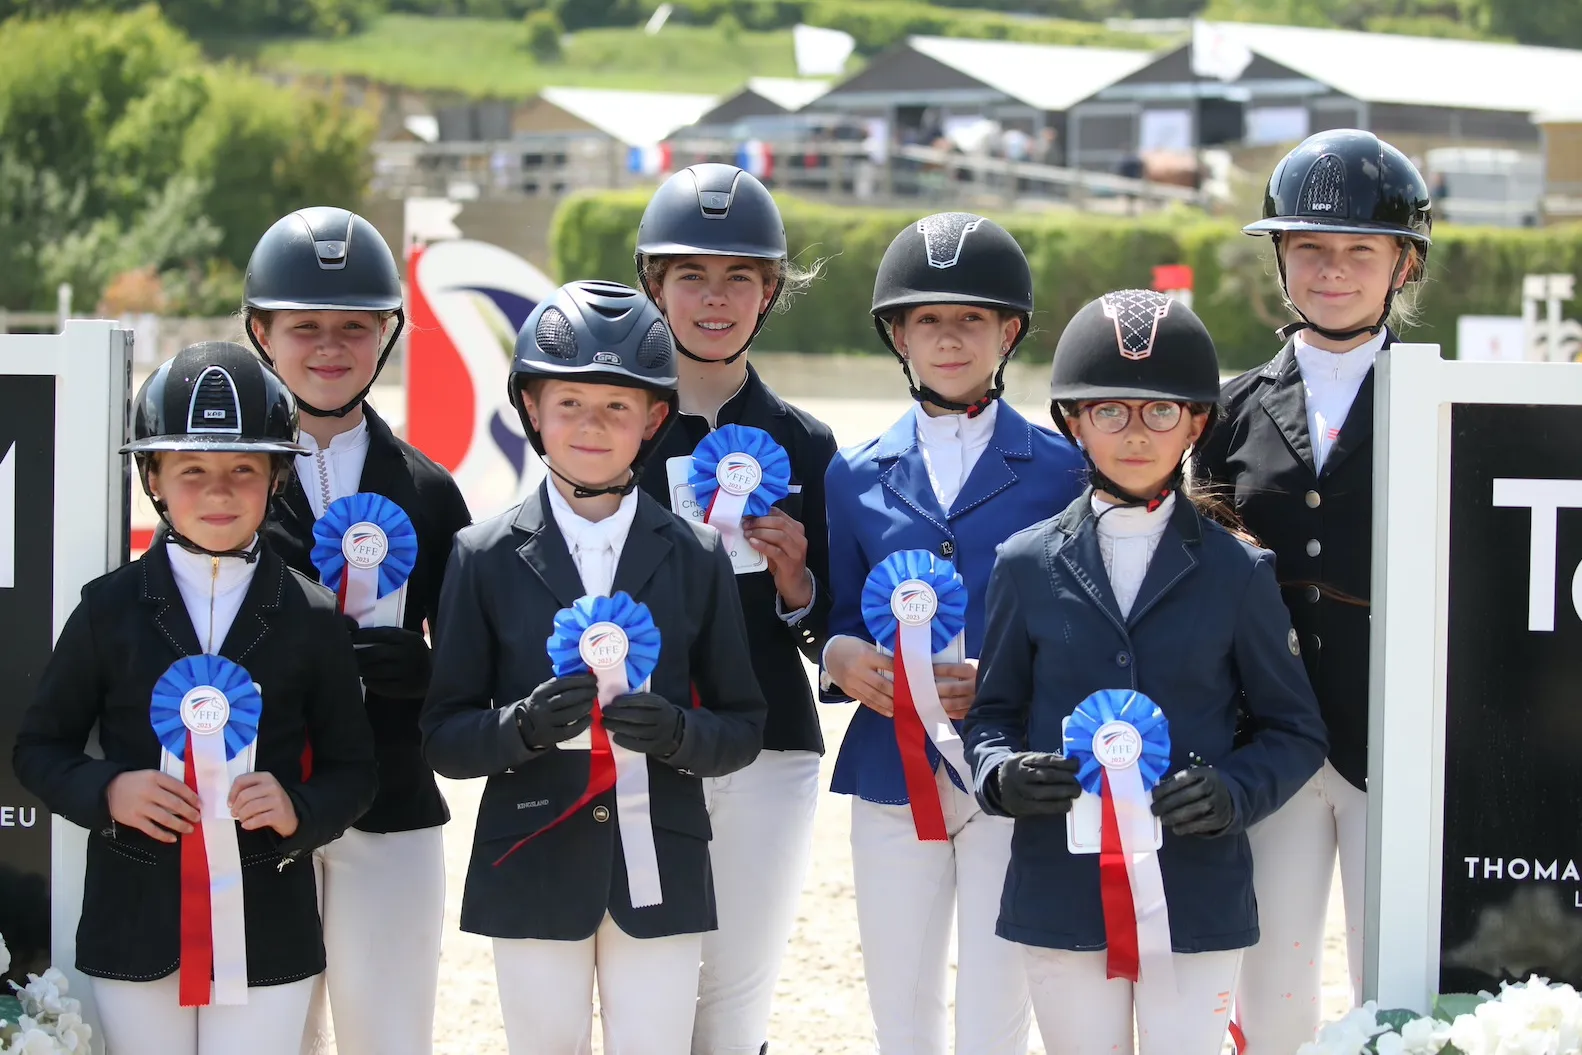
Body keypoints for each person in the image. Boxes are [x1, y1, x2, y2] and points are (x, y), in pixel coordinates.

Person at [964, 290, 1328, 1055]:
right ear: (1074, 420)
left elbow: (1295, 731)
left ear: (1196, 423)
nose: (1136, 432)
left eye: (1160, 411)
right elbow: (992, 713)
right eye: (1110, 410)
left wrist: (1235, 791)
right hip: (1062, 884)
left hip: (1195, 884)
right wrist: (999, 774)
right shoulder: (1024, 563)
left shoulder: (1241, 572)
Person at [419, 279, 767, 1055]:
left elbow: (743, 725)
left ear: (652, 419)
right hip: (531, 858)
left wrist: (677, 732)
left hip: (663, 862)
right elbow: (444, 735)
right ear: (532, 409)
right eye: (569, 403)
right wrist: (521, 727)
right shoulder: (481, 555)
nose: (591, 424)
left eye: (616, 406)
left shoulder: (698, 556)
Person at [13, 342, 377, 1055]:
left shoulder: (311, 615)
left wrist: (299, 809)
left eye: (243, 469)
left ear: (276, 477)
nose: (218, 492)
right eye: (192, 471)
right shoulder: (107, 609)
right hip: (135, 920)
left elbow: (354, 771)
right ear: (153, 477)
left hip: (267, 922)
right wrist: (108, 790)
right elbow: (39, 748)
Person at [820, 212, 1085, 1055]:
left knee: (995, 1017)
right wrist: (837, 654)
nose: (948, 336)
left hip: (1011, 765)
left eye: (971, 317)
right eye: (927, 318)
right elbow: (839, 614)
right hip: (890, 770)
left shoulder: (1065, 470)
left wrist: (1013, 677)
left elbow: (1081, 623)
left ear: (1009, 332)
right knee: (900, 1011)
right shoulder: (852, 473)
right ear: (898, 334)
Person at [1194, 128, 1433, 1052]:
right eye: (1311, 248)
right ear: (1283, 260)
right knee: (1273, 986)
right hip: (1274, 740)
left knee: (1398, 987)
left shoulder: (1441, 400)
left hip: (1398, 739)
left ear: (1403, 265)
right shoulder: (1230, 410)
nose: (1333, 270)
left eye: (1360, 251)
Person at [242, 206, 472, 1055]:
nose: (331, 347)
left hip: (391, 799)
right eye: (306, 327)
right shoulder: (225, 488)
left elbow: (475, 664)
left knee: (391, 1036)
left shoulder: (431, 492)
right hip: (257, 804)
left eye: (354, 327)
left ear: (388, 333)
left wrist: (431, 672)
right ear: (261, 333)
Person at [634, 163, 836, 1055]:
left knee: (737, 998)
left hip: (770, 744)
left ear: (770, 290)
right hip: (646, 741)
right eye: (692, 275)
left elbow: (830, 629)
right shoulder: (614, 430)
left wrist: (798, 585)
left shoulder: (809, 444)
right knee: (649, 994)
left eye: (738, 277)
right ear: (656, 285)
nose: (715, 298)